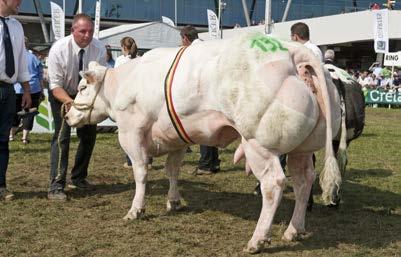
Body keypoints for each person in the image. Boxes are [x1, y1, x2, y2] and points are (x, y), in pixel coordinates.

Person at [47, 13, 107, 201]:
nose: (87, 35)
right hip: (62, 94)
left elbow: (98, 79)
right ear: (73, 30)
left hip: (86, 94)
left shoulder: (98, 48)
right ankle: (56, 185)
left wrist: (85, 102)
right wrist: (70, 103)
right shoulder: (58, 49)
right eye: (82, 31)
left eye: (90, 31)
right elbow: (55, 86)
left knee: (89, 136)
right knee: (62, 138)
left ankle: (79, 177)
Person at [0, 0, 32, 201]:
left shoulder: (16, 26)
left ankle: (1, 186)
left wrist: (27, 90)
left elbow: (20, 61)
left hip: (8, 90)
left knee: (3, 141)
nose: (20, 1)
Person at [180, 25, 221, 175]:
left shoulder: (192, 51)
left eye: (182, 40)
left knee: (204, 129)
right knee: (212, 127)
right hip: (214, 90)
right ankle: (213, 162)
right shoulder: (206, 45)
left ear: (185, 38)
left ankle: (206, 165)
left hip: (202, 92)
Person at [9, 37, 43, 144]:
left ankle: (11, 135)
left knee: (14, 112)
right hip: (33, 89)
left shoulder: (13, 58)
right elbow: (40, 76)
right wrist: (42, 90)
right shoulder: (34, 58)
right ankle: (24, 138)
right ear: (27, 44)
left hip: (17, 89)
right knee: (29, 113)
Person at [113, 36, 138, 169]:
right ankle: (148, 160)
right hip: (138, 98)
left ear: (123, 47)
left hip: (125, 98)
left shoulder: (120, 60)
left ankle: (130, 160)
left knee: (127, 131)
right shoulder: (140, 59)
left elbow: (116, 79)